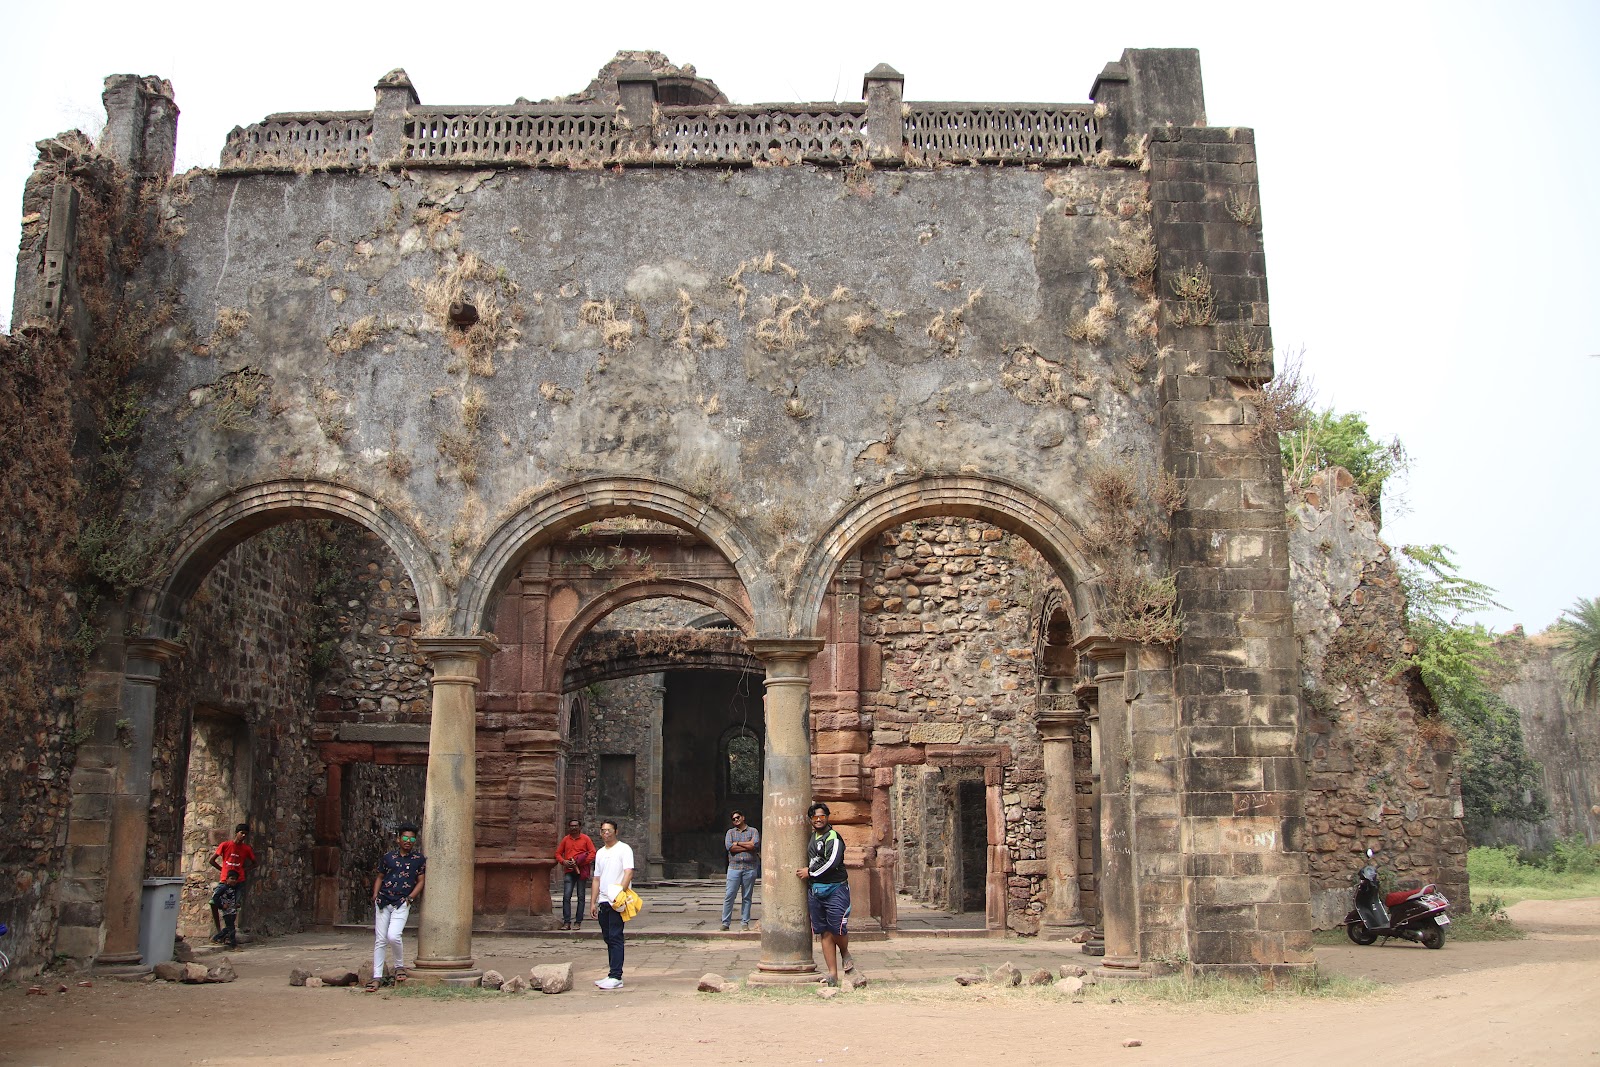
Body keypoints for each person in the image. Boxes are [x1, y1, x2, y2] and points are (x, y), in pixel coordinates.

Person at [795, 801, 853, 986]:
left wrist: (810, 872)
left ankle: (845, 953)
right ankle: (832, 974)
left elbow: (832, 862)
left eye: (821, 816)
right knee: (824, 932)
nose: (818, 820)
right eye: (814, 817)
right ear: (811, 820)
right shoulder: (812, 838)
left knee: (837, 928)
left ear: (827, 817)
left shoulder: (833, 837)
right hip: (816, 890)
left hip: (836, 887)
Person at [367, 823, 425, 992]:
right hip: (384, 901)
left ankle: (399, 966)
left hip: (401, 902)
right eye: (405, 838)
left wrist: (410, 898)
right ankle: (377, 976)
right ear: (398, 839)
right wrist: (375, 894)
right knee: (380, 939)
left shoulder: (418, 860)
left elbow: (421, 881)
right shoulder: (388, 858)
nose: (408, 841)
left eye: (412, 838)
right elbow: (380, 876)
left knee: (393, 935)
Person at [588, 819, 634, 990]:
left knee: (615, 936)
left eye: (609, 830)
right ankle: (612, 973)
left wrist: (620, 893)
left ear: (616, 831)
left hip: (617, 901)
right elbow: (596, 878)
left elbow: (629, 872)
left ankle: (616, 976)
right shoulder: (600, 852)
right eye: (603, 830)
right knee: (608, 937)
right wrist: (593, 901)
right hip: (603, 900)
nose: (606, 833)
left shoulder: (624, 849)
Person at [208, 823, 256, 942]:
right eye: (241, 833)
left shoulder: (246, 849)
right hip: (225, 880)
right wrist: (222, 869)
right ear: (236, 833)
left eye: (245, 834)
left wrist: (243, 871)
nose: (243, 836)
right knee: (214, 902)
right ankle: (219, 930)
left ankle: (228, 935)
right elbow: (212, 860)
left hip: (238, 881)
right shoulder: (225, 845)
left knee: (233, 907)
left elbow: (255, 863)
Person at [720, 810, 760, 931]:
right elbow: (729, 847)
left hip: (750, 868)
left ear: (743, 817)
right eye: (733, 819)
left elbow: (755, 845)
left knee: (747, 896)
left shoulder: (753, 831)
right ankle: (725, 923)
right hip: (734, 868)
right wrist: (747, 845)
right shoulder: (730, 832)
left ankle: (744, 922)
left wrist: (737, 843)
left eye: (738, 817)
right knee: (729, 895)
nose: (736, 820)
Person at [554, 818, 596, 931]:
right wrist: (564, 862)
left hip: (581, 870)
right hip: (569, 871)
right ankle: (567, 922)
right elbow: (558, 853)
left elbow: (592, 852)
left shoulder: (585, 839)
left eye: (575, 826)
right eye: (571, 826)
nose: (573, 828)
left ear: (579, 827)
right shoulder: (565, 840)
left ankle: (578, 922)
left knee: (581, 897)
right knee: (566, 896)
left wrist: (582, 862)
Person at [213, 869, 243, 949]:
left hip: (233, 911)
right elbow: (215, 897)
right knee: (232, 929)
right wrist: (221, 906)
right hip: (227, 912)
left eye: (235, 879)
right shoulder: (223, 888)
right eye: (232, 878)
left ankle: (216, 938)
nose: (234, 881)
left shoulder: (233, 889)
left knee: (229, 927)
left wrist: (236, 905)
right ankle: (234, 945)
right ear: (227, 879)